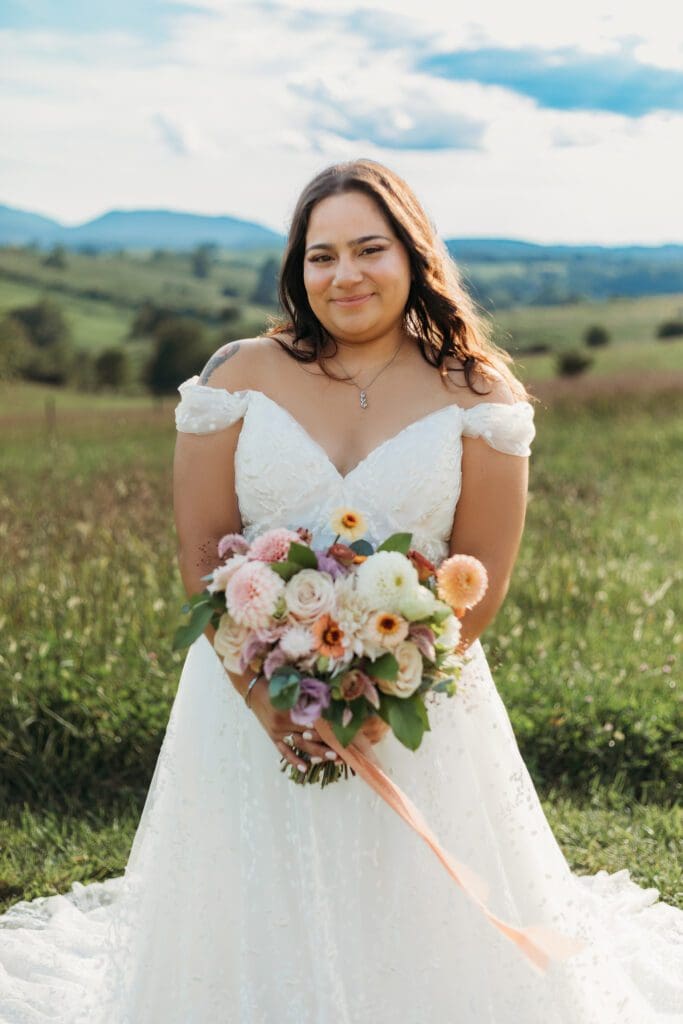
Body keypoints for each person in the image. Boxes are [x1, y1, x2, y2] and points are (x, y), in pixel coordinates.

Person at [0, 159, 681, 1023]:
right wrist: (261, 696)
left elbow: (482, 577)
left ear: (413, 254)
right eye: (320, 256)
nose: (344, 274)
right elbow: (200, 546)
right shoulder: (237, 377)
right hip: (244, 702)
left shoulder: (479, 394)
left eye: (368, 249)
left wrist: (376, 692)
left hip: (417, 703)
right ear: (297, 268)